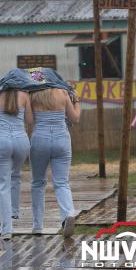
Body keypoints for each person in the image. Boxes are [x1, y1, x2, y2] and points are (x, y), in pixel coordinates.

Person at [29, 88, 81, 238]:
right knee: (62, 182)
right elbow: (75, 118)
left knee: (38, 182)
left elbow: (29, 120)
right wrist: (76, 101)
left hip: (40, 138)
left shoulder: (33, 94)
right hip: (61, 139)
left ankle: (38, 225)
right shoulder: (62, 93)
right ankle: (68, 214)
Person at [0, 89, 33, 240]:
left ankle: (6, 229)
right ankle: (14, 211)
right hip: (21, 139)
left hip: (2, 139)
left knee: (2, 184)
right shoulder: (24, 95)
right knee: (15, 175)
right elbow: (30, 120)